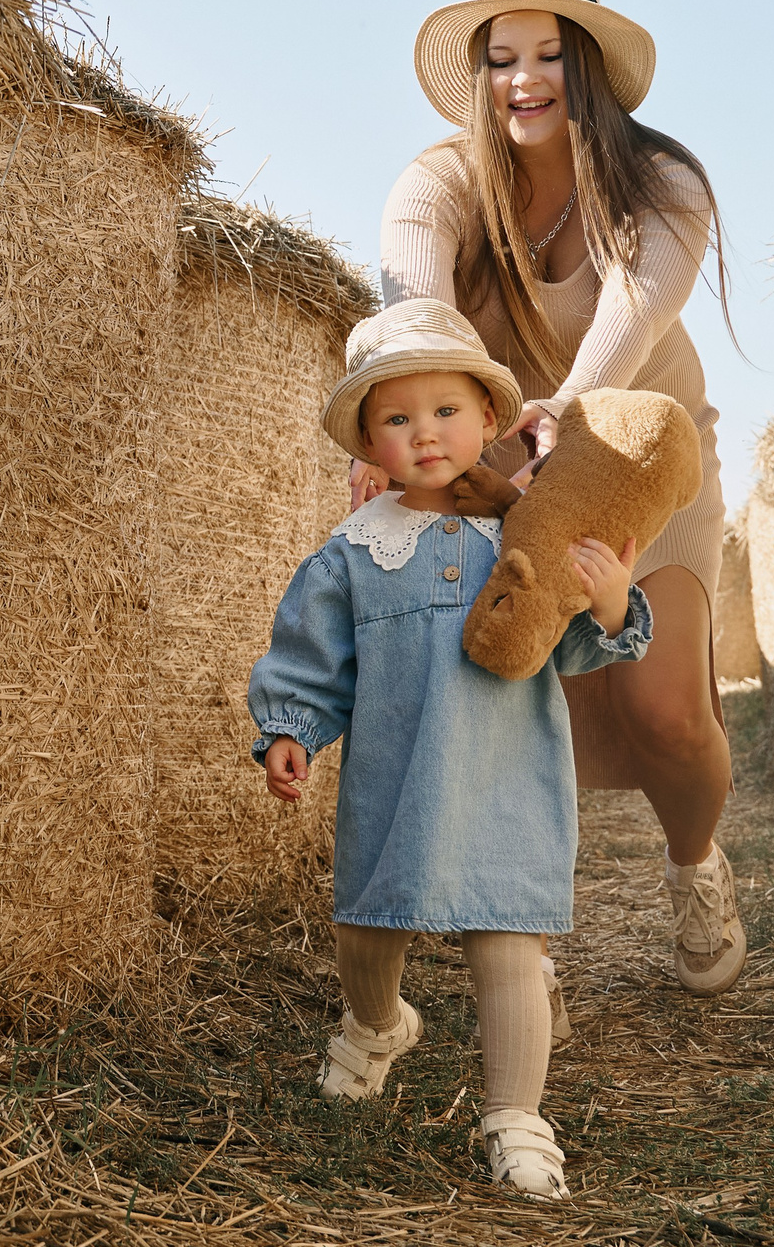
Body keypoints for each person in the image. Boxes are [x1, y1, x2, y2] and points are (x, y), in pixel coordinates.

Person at [359, 0, 744, 996]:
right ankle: (525, 957)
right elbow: (414, 308)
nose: (523, 78)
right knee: (543, 715)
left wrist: (557, 414)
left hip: (635, 455)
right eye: (501, 57)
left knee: (663, 707)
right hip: (499, 462)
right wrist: (414, 439)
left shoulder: (660, 184)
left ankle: (692, 862)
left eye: (548, 55)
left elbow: (623, 331)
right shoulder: (435, 184)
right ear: (479, 76)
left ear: (588, 70)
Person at [248, 298, 653, 1202]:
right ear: (367, 443)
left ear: (489, 421)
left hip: (508, 777)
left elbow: (578, 646)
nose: (423, 434)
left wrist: (611, 600)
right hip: (396, 778)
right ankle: (374, 1024)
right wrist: (291, 727)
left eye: (443, 411)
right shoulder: (354, 549)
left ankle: (515, 1113)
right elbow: (312, 652)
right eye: (396, 418)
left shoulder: (529, 535)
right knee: (365, 928)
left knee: (508, 944)